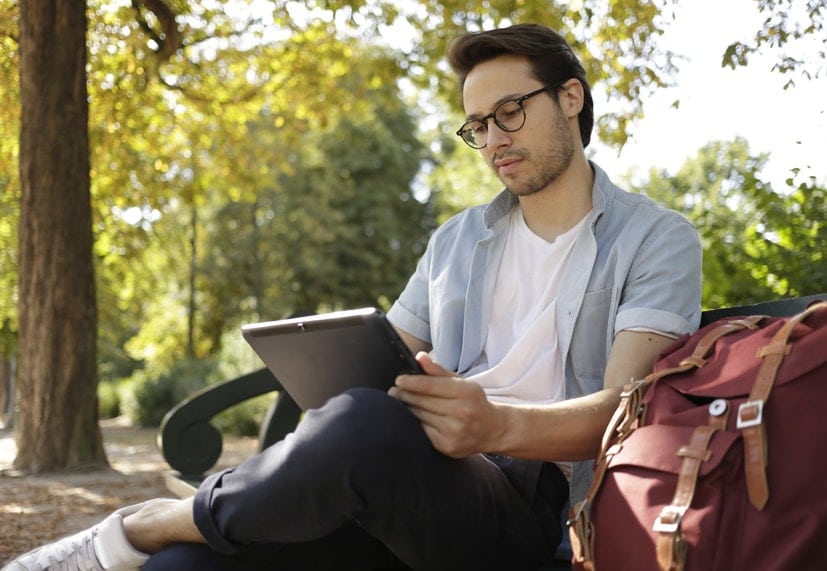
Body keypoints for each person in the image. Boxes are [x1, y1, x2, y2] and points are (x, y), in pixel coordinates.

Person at [3, 22, 701, 571]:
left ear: (570, 98)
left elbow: (625, 411)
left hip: (536, 506)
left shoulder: (655, 238)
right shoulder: (458, 240)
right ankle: (171, 533)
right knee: (185, 565)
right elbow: (389, 357)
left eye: (509, 113)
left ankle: (144, 521)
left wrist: (497, 427)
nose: (492, 140)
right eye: (477, 126)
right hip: (403, 478)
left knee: (365, 426)